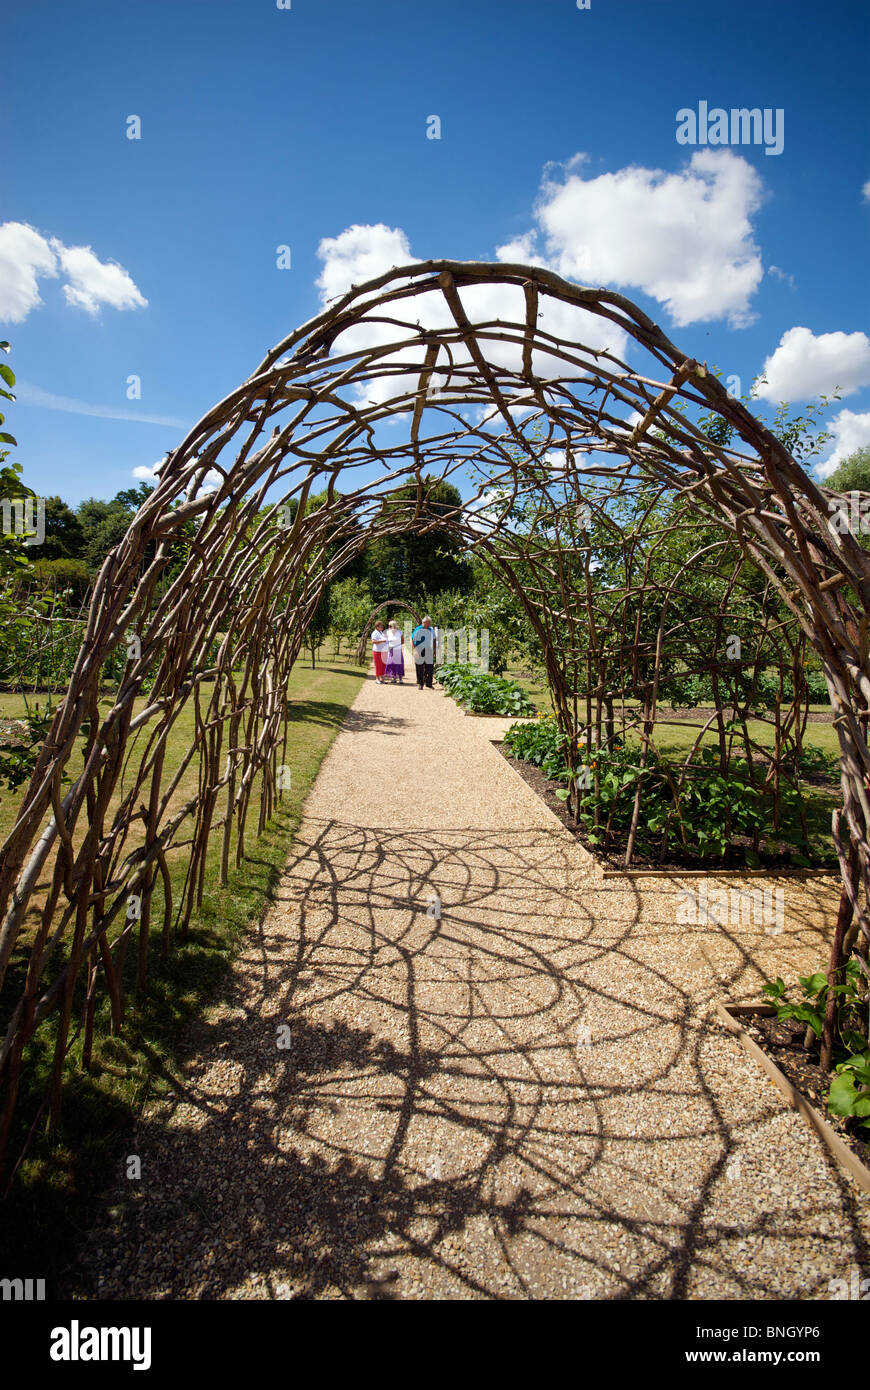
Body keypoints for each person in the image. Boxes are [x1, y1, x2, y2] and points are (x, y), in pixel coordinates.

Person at [411, 615, 436, 690]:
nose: (429, 624)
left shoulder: (431, 629)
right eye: (428, 623)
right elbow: (412, 639)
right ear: (424, 622)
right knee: (419, 667)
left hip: (428, 649)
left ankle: (429, 683)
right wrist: (415, 650)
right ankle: (420, 683)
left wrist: (435, 650)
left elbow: (434, 640)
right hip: (419, 649)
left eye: (429, 623)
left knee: (430, 667)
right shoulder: (418, 629)